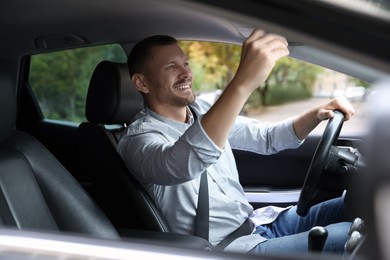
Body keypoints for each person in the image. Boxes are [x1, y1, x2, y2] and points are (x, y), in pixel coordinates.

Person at [117, 30, 355, 254]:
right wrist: (242, 82)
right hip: (227, 249)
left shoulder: (203, 112)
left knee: (356, 201)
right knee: (351, 237)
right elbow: (184, 163)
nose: (186, 73)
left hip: (258, 225)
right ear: (142, 83)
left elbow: (268, 138)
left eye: (186, 64)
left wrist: (318, 112)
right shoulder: (137, 141)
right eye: (171, 67)